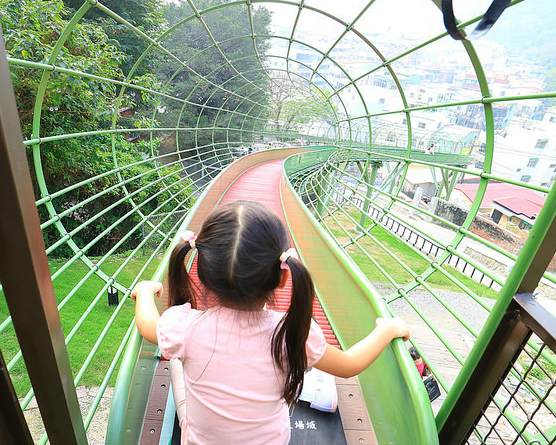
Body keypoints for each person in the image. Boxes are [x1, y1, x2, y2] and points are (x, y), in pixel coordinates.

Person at [132, 200, 410, 445]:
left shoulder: (183, 327)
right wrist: (385, 331)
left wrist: (144, 292)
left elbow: (147, 325)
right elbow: (349, 365)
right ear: (284, 277)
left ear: (201, 271)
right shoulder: (291, 334)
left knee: (177, 363)